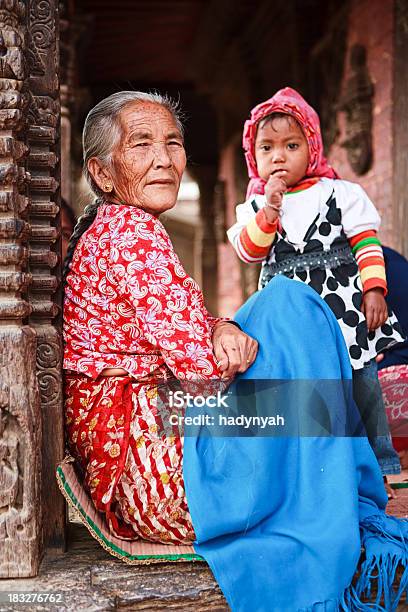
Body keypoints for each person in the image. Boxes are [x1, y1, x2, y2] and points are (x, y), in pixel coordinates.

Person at [60, 91, 408, 610]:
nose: (164, 159)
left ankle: (339, 483)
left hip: (136, 461)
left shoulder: (110, 228)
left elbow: (193, 332)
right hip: (162, 472)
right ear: (103, 173)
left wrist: (222, 326)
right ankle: (345, 490)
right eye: (142, 144)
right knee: (291, 310)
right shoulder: (132, 233)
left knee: (285, 317)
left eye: (173, 143)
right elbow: (205, 371)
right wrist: (236, 342)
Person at [227, 87, 405, 490]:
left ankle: (379, 465)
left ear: (313, 147)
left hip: (343, 304)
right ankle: (311, 466)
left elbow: (366, 243)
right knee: (300, 384)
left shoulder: (340, 193)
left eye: (291, 145)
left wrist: (374, 290)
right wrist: (270, 208)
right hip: (290, 316)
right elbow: (251, 251)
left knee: (361, 382)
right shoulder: (254, 206)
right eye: (267, 147)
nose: (278, 156)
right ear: (252, 157)